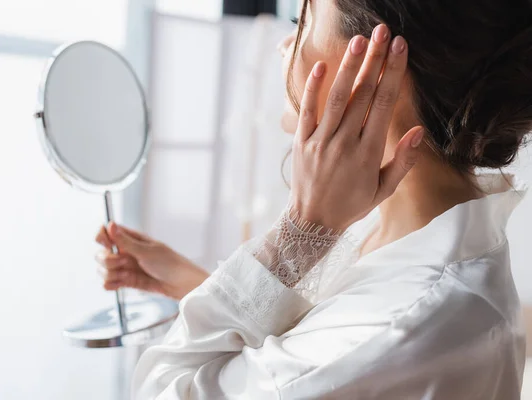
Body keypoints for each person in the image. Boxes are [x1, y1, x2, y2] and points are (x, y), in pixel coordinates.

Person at [95, 0, 532, 398]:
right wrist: (195, 285)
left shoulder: (391, 330)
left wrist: (300, 231)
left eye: (301, 19)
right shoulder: (410, 233)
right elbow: (314, 338)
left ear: (377, 70)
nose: (286, 44)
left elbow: (162, 387)